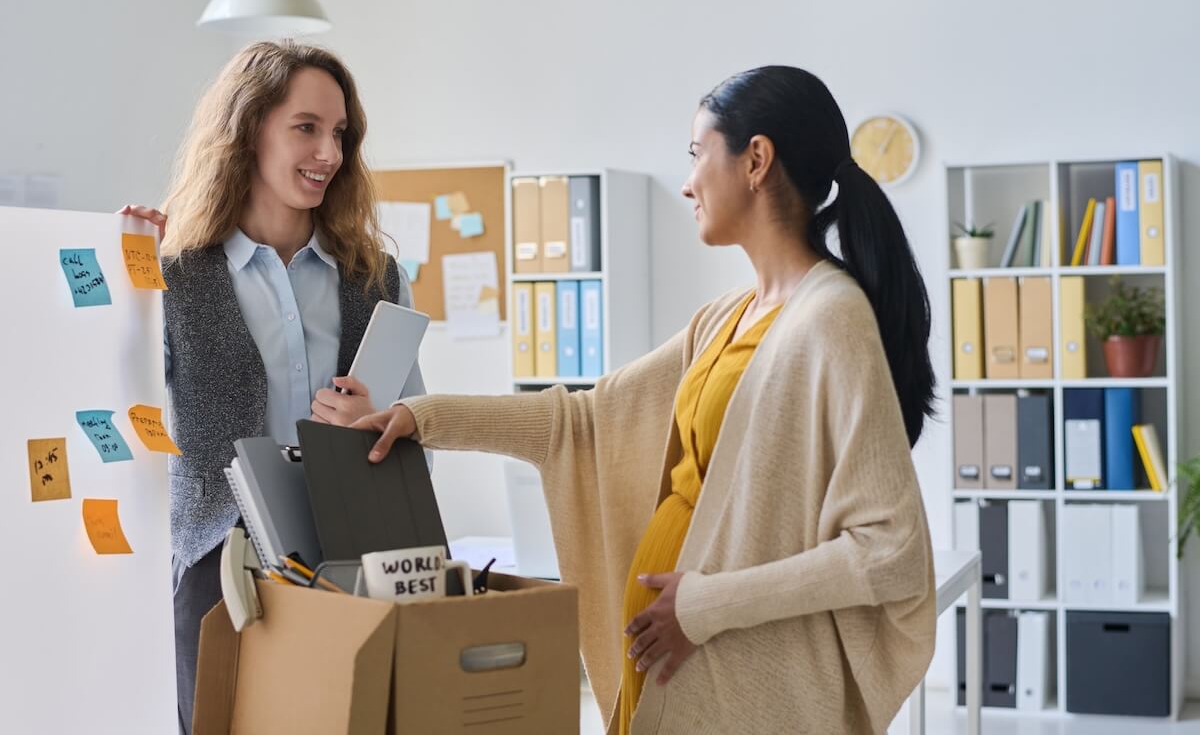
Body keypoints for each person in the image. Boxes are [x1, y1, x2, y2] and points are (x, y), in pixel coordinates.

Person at [354, 66, 936, 734]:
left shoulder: (831, 320)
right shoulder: (727, 318)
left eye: (697, 154)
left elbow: (888, 550)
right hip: (676, 661)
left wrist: (704, 606)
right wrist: (420, 419)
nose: (687, 182)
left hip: (740, 681)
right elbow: (581, 422)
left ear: (756, 160)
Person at [121, 40, 426, 734]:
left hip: (347, 570)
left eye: (340, 134)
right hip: (214, 572)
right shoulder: (172, 274)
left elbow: (421, 436)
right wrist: (119, 277)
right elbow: (113, 404)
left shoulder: (374, 280)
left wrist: (383, 422)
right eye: (306, 128)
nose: (329, 153)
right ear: (250, 126)